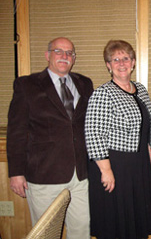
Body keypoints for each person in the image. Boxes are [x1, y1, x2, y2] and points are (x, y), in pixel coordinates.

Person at [7, 37, 93, 238]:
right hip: (44, 175)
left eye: (69, 53)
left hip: (81, 175)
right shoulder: (26, 85)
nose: (64, 56)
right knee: (47, 233)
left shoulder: (85, 83)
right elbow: (16, 131)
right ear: (47, 55)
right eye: (58, 51)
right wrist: (16, 172)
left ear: (74, 58)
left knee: (83, 229)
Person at [85, 40, 151, 239]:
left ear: (133, 62)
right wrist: (106, 170)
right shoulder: (103, 94)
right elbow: (93, 134)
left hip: (138, 165)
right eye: (115, 59)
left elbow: (148, 123)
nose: (121, 63)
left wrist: (150, 149)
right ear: (108, 65)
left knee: (135, 222)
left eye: (125, 58)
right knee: (116, 224)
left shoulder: (141, 90)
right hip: (114, 165)